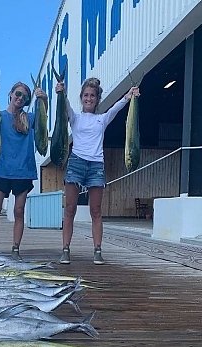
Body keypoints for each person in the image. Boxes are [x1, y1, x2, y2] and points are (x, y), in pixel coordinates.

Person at [55, 78, 140, 265]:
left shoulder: (102, 119)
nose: (89, 98)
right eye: (86, 95)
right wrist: (61, 91)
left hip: (96, 166)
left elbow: (115, 109)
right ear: (81, 97)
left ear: (97, 98)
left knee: (96, 210)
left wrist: (129, 96)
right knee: (70, 209)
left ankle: (97, 250)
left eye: (92, 95)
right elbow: (66, 106)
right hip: (76, 163)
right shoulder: (75, 117)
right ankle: (66, 249)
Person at [0, 81, 48, 260]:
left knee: (19, 211)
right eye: (18, 94)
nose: (20, 98)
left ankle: (16, 249)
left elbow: (44, 115)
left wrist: (44, 99)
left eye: (25, 97)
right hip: (1, 170)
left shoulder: (29, 118)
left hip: (23, 172)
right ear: (11, 94)